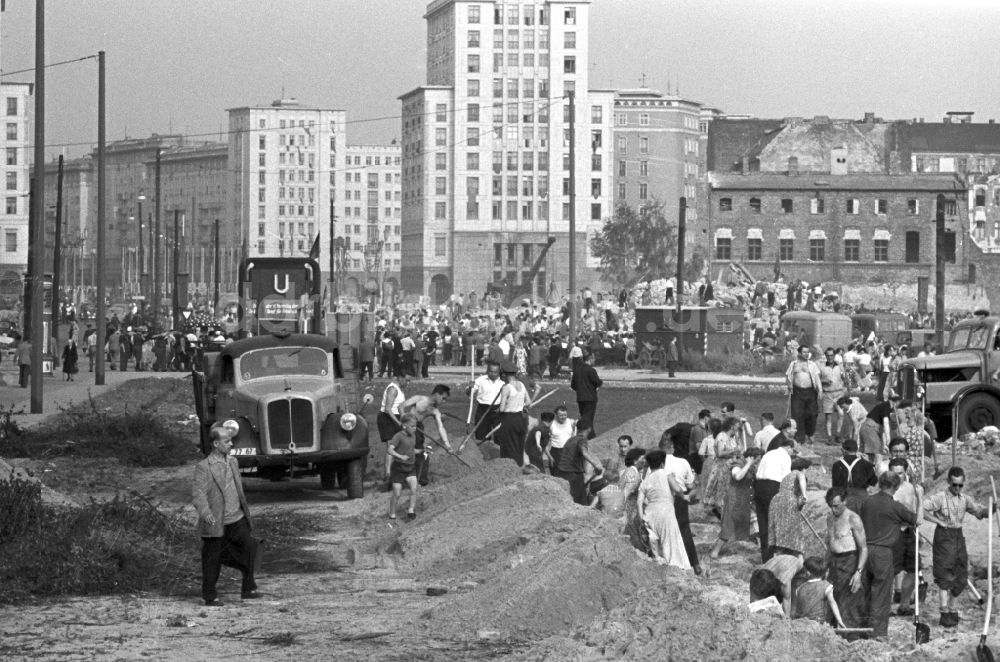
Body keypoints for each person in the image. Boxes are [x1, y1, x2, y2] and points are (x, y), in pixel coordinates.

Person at [192, 425, 259, 606]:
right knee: (212, 558)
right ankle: (210, 596)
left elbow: (238, 489)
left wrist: (244, 511)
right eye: (227, 441)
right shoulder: (204, 467)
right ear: (215, 443)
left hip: (237, 517)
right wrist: (206, 514)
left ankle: (248, 588)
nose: (231, 444)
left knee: (251, 547)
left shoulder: (233, 462)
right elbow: (198, 495)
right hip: (216, 520)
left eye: (231, 440)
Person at [923, 466, 991, 628]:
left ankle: (953, 609)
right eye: (954, 485)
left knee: (960, 574)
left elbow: (979, 512)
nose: (957, 488)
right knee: (945, 575)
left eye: (960, 485)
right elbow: (922, 509)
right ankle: (944, 612)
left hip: (958, 537)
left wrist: (992, 508)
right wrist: (938, 521)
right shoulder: (940, 497)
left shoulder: (965, 499)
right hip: (943, 537)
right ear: (948, 482)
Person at [858, 470, 917, 639]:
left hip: (865, 550)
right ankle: (878, 633)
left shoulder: (867, 501)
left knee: (866, 592)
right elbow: (916, 520)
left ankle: (863, 629)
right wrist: (919, 497)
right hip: (882, 552)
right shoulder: (894, 505)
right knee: (882, 594)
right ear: (896, 486)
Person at [636, 450, 692, 569]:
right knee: (671, 542)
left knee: (655, 545)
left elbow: (639, 502)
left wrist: (642, 518)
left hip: (650, 513)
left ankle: (660, 566)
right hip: (666, 512)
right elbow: (677, 489)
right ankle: (678, 568)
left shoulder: (645, 481)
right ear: (662, 463)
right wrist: (684, 496)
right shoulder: (666, 473)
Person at [824, 487, 869, 630]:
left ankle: (852, 636)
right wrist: (824, 567)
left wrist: (859, 572)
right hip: (834, 562)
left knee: (850, 602)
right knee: (833, 598)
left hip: (850, 561)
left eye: (836, 506)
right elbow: (829, 545)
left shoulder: (853, 518)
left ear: (844, 501)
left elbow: (863, 548)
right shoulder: (829, 518)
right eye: (830, 506)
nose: (833, 509)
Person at [661, 432, 702, 574]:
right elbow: (691, 486)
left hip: (663, 499)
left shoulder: (656, 463)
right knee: (684, 531)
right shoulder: (683, 462)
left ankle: (672, 563)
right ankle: (694, 563)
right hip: (680, 499)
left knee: (665, 533)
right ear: (672, 447)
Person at [710, 447, 761, 560]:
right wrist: (748, 465)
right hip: (735, 500)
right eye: (757, 460)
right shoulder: (738, 464)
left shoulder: (752, 467)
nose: (758, 462)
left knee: (756, 525)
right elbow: (737, 476)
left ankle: (759, 548)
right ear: (751, 458)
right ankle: (715, 551)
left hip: (747, 501)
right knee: (729, 527)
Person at [887, 457, 923, 617]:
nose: (897, 477)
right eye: (894, 473)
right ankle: (886, 607)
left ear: (905, 472)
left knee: (913, 568)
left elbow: (916, 511)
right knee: (890, 570)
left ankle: (904, 604)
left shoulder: (911, 488)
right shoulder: (886, 490)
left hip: (910, 531)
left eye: (900, 473)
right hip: (893, 532)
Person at [768, 458, 823, 559]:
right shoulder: (798, 473)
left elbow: (797, 501)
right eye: (807, 469)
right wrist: (804, 495)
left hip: (776, 502)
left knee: (780, 533)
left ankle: (778, 557)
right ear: (803, 468)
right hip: (788, 501)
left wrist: (800, 504)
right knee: (795, 535)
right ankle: (798, 559)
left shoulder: (786, 477)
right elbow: (802, 479)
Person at [401, 384, 454, 485]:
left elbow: (441, 427)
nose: (444, 401)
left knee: (425, 454)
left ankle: (421, 481)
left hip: (419, 429)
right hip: (408, 427)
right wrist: (404, 420)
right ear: (437, 394)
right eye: (443, 398)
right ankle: (400, 481)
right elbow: (401, 406)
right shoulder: (419, 398)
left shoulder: (435, 411)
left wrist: (447, 445)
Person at [754, 437, 795, 561]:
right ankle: (777, 557)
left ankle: (766, 558)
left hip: (759, 486)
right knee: (776, 523)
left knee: (763, 522)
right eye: (793, 451)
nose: (793, 454)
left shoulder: (768, 453)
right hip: (773, 487)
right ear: (789, 448)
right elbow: (787, 478)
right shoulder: (785, 456)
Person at [791, 556, 847, 628]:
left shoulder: (799, 587)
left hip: (801, 623)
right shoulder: (826, 586)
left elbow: (795, 608)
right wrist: (839, 620)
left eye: (805, 569)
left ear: (808, 572)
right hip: (817, 623)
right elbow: (832, 603)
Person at [703, 416, 743, 517]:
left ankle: (724, 513)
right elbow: (720, 453)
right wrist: (734, 450)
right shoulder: (722, 436)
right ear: (732, 426)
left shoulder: (732, 438)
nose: (738, 430)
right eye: (737, 427)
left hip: (730, 467)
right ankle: (720, 513)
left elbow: (740, 449)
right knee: (720, 490)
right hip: (721, 468)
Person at [494, 361, 531, 465]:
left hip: (509, 420)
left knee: (509, 446)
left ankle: (510, 468)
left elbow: (502, 409)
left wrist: (497, 411)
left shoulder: (506, 388)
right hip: (520, 419)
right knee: (519, 445)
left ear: (504, 374)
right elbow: (528, 402)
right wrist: (522, 407)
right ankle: (519, 466)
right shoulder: (522, 385)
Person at [552, 432, 603, 505]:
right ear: (589, 429)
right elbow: (584, 452)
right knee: (580, 500)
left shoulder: (570, 440)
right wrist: (596, 465)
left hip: (561, 472)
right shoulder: (581, 440)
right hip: (573, 473)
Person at [785, 345, 822, 444]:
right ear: (799, 353)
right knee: (797, 414)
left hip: (810, 392)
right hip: (797, 392)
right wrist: (789, 385)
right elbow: (788, 377)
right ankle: (799, 438)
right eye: (804, 352)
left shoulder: (812, 364)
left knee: (812, 414)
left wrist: (820, 390)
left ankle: (810, 433)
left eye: (807, 352)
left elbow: (817, 378)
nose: (806, 354)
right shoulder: (793, 364)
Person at [386, 414, 420, 520]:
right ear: (405, 426)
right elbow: (390, 450)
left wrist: (420, 451)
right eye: (412, 426)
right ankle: (392, 513)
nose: (415, 428)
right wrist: (400, 456)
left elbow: (410, 449)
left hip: (411, 467)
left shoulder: (413, 435)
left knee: (414, 488)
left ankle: (411, 510)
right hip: (399, 467)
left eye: (415, 426)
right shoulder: (398, 436)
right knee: (397, 492)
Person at [750, 552, 804, 617]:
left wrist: (789, 615)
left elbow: (788, 596)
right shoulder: (787, 574)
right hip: (767, 574)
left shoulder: (794, 567)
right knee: (758, 600)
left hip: (772, 570)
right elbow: (786, 598)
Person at [830, 439, 877, 511]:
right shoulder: (866, 464)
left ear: (843, 450)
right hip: (862, 499)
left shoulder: (836, 465)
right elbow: (874, 482)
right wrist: (870, 464)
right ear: (857, 450)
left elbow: (835, 486)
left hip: (844, 499)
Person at [378, 374, 409, 479]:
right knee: (391, 445)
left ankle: (396, 470)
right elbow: (387, 409)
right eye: (407, 380)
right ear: (400, 377)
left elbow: (400, 408)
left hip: (396, 418)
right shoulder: (393, 389)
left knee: (399, 445)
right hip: (387, 418)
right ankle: (388, 474)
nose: (407, 383)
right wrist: (398, 422)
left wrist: (405, 421)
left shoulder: (400, 389)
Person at [619, 447, 648, 553]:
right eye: (642, 458)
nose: (645, 461)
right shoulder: (633, 473)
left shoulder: (630, 471)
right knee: (632, 533)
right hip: (629, 509)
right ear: (635, 460)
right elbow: (625, 493)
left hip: (629, 508)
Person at [570, 351, 602, 440]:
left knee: (585, 416)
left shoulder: (577, 370)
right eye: (594, 359)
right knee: (588, 418)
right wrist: (598, 384)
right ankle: (589, 436)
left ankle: (590, 435)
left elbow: (573, 385)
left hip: (580, 398)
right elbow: (597, 382)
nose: (594, 360)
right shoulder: (591, 370)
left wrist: (580, 390)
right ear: (590, 359)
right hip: (590, 398)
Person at [470, 360, 504, 442]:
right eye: (491, 371)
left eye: (495, 372)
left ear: (499, 372)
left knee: (499, 435)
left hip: (497, 409)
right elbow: (470, 392)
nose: (493, 374)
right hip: (483, 409)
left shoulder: (503, 382)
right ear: (488, 371)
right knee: (481, 434)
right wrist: (470, 388)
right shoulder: (481, 380)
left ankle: (498, 452)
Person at [859, 396, 896, 467]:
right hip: (870, 428)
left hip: (869, 428)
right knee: (877, 453)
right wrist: (888, 438)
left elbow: (882, 431)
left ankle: (869, 469)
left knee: (872, 453)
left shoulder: (884, 408)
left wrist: (884, 444)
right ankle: (877, 473)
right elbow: (886, 423)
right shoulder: (886, 406)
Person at [819, 348, 846, 443]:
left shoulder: (839, 366)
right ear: (826, 356)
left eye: (831, 355)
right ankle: (829, 436)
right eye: (828, 355)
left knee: (841, 414)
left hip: (839, 393)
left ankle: (838, 434)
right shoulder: (822, 367)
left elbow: (845, 378)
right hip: (828, 394)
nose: (830, 357)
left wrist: (846, 383)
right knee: (828, 416)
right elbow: (817, 380)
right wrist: (824, 381)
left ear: (834, 356)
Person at [545, 405, 576, 471]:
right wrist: (550, 457)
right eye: (561, 415)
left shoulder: (571, 422)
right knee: (556, 473)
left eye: (565, 415)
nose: (563, 417)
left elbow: (575, 434)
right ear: (556, 415)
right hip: (556, 452)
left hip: (568, 451)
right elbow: (544, 443)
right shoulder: (551, 424)